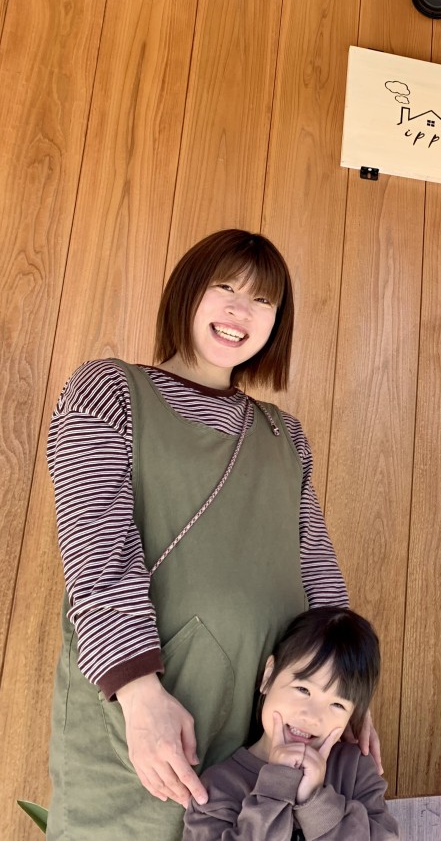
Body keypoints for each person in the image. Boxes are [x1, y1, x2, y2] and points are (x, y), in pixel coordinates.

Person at [46, 229, 377, 840]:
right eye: (224, 287)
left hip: (262, 727)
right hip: (143, 706)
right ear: (187, 292)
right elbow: (97, 551)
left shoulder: (285, 437)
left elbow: (317, 568)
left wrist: (343, 691)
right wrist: (141, 696)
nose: (239, 311)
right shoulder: (110, 391)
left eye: (263, 301)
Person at [183, 606, 399, 840]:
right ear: (268, 677)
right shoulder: (219, 787)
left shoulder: (354, 769)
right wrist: (275, 788)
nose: (312, 717)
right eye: (303, 689)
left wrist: (316, 802)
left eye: (337, 705)